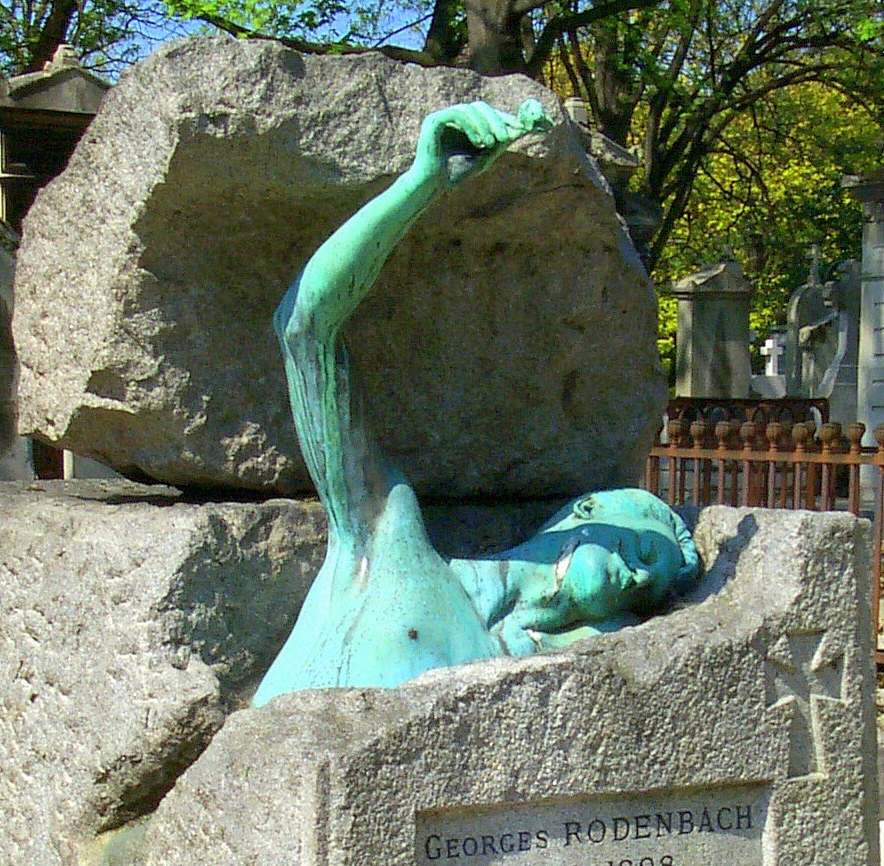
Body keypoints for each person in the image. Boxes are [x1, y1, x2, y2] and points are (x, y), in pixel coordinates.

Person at [253, 101, 698, 705]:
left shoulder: (522, 665)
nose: (639, 578)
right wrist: (423, 182)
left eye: (649, 589)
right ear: (584, 513)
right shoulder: (386, 536)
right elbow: (304, 328)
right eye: (643, 551)